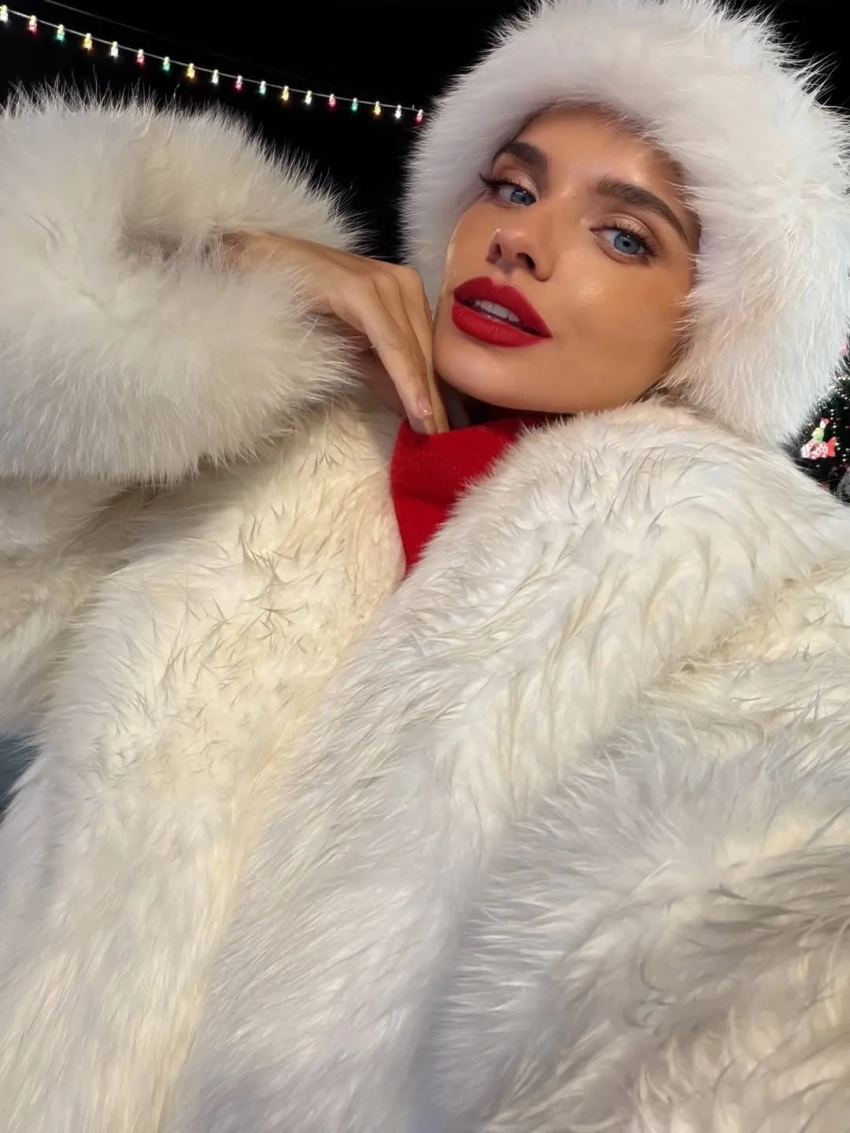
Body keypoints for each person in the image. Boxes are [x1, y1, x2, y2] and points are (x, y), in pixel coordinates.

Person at [0, 0, 849, 1129]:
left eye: (624, 237)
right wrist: (209, 281)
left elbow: (740, 907)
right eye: (512, 187)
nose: (520, 240)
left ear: (708, 325)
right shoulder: (263, 449)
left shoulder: (757, 566)